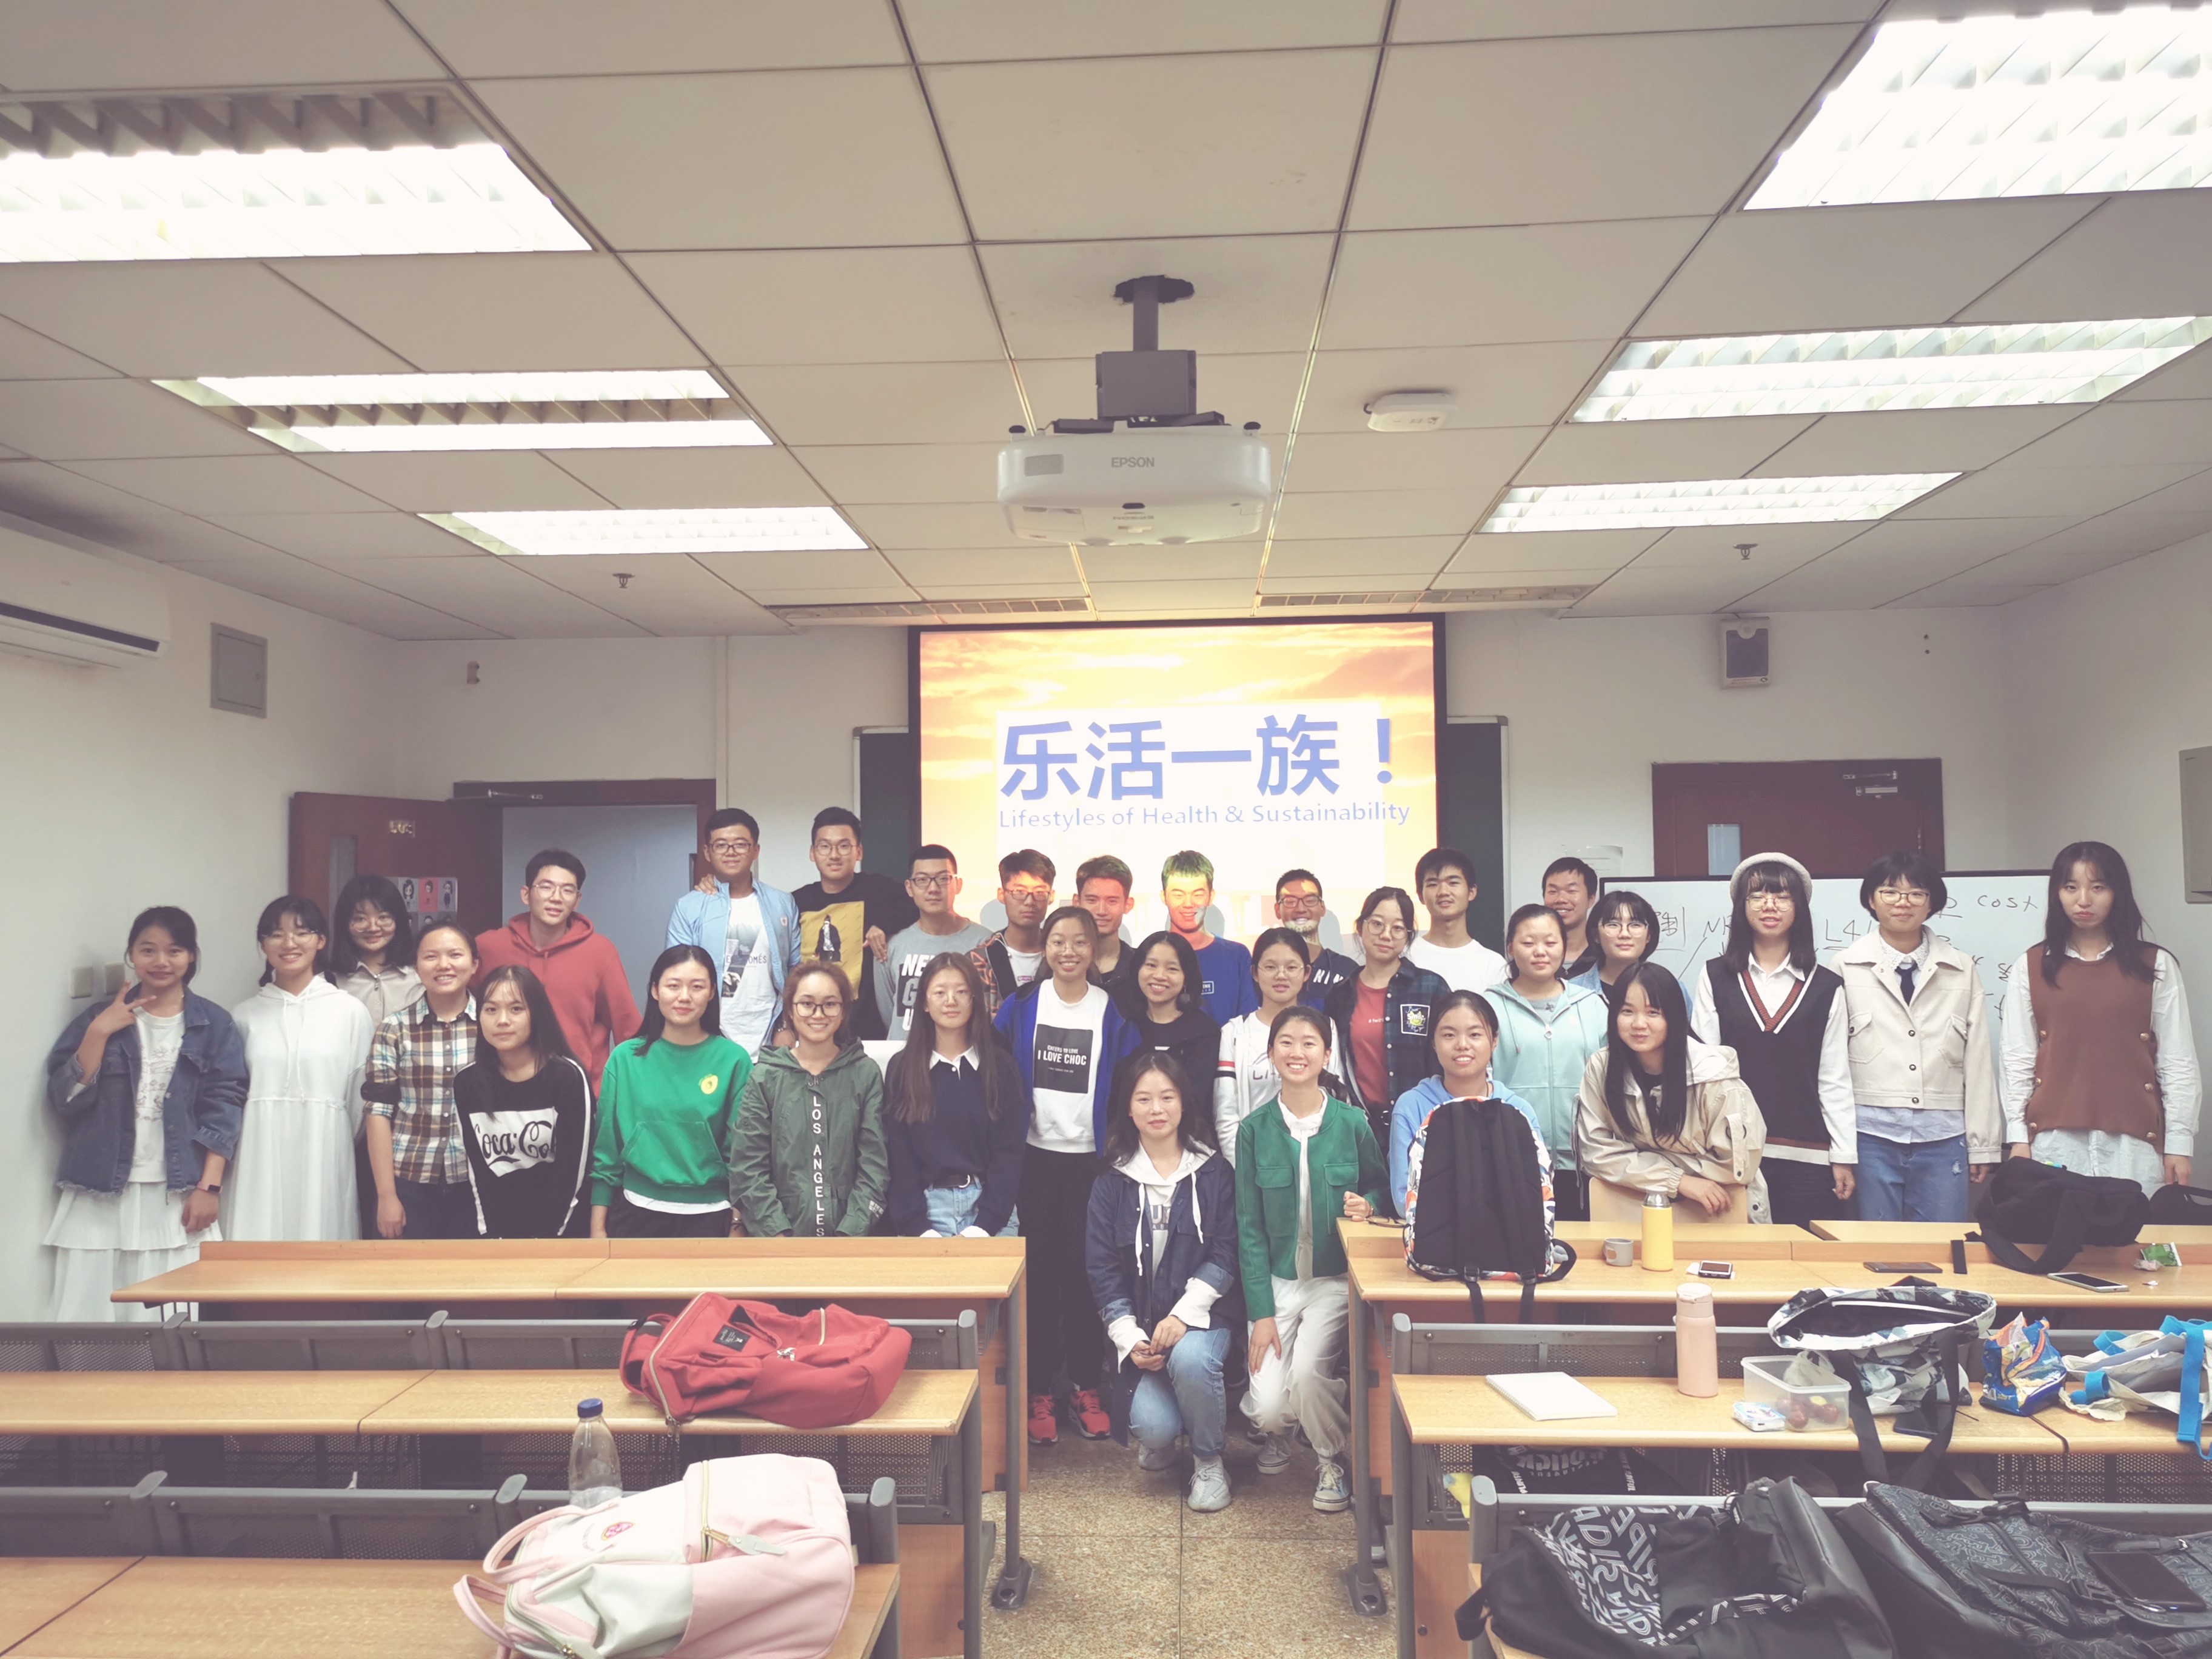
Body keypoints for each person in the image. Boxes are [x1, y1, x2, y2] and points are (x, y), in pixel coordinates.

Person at [43, 907, 244, 1321]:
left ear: (191, 956)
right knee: (88, 1312)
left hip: (177, 1191)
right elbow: (65, 1099)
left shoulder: (215, 1024)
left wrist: (209, 1187)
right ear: (131, 955)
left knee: (171, 1317)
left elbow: (224, 1106)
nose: (161, 961)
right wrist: (100, 1031)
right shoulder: (98, 1018)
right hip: (99, 1185)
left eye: (175, 950)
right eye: (148, 950)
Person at [1235, 1007, 1386, 1515]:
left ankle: (1330, 1458)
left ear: (1326, 1054)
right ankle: (1284, 1431)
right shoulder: (1253, 1129)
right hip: (1277, 1282)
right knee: (1268, 1409)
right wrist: (1260, 1312)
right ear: (1271, 1053)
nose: (1297, 1053)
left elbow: (1380, 1188)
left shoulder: (1352, 1123)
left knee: (1306, 1376)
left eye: (1308, 1044)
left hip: (1332, 1280)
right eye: (1286, 1042)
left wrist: (1369, 1205)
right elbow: (1249, 1228)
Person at [996, 905, 1136, 1445]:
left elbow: (1126, 1082)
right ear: (1045, 947)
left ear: (1094, 948)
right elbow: (998, 1073)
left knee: (1084, 1276)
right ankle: (1038, 1390)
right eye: (1059, 941)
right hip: (1033, 1160)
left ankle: (1084, 1385)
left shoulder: (1111, 1010)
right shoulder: (1021, 1005)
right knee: (1037, 1276)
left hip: (1089, 1164)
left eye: (1080, 941)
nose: (1069, 951)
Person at [1087, 1051, 1241, 1512]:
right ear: (1129, 1108)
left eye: (1167, 1097)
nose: (1157, 1109)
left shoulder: (1213, 1171)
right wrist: (1130, 1338)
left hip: (1205, 1316)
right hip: (1144, 1325)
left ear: (1184, 1102)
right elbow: (1102, 1269)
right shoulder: (1112, 1180)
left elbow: (1226, 1252)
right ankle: (1164, 1436)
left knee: (1191, 1358)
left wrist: (1182, 1316)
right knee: (1153, 1428)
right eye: (1144, 1099)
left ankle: (1209, 1462)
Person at [2001, 840, 2200, 1198]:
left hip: (2135, 1144)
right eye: (2071, 887)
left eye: (2098, 887)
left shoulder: (2156, 965)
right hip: (2053, 1141)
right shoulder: (2030, 966)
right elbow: (2017, 1058)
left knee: (2139, 1232)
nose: (2083, 900)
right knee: (2059, 1229)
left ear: (2117, 892)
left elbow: (2177, 1061)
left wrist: (2179, 1144)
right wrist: (2018, 1138)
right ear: (2057, 894)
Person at [1832, 853, 2001, 1222]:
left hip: (1944, 1138)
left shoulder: (1961, 968)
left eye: (1916, 893)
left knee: (1941, 1246)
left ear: (1931, 902)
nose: (1903, 902)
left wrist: (1983, 1145)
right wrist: (1839, 1148)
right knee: (1875, 1248)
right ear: (1871, 899)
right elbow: (1831, 1065)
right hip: (1868, 1136)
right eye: (1890, 892)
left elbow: (1978, 1059)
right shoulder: (1844, 967)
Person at [1691, 853, 1854, 1226]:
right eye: (1757, 896)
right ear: (1741, 906)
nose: (1769, 905)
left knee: (1809, 1254)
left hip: (1809, 1154)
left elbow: (1834, 1078)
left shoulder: (1827, 986)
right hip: (1732, 1152)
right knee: (1738, 1254)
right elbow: (1705, 1073)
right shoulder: (1715, 976)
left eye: (1782, 896)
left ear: (1799, 908)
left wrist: (1843, 1155)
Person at [225, 896, 372, 1241]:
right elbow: (230, 1096)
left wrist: (329, 1127)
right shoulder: (243, 1016)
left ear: (321, 941)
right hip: (257, 1148)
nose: (289, 943)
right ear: (263, 945)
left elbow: (360, 1098)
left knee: (321, 1240)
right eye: (276, 934)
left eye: (302, 933)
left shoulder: (349, 1011)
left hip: (325, 1147)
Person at [1577, 962, 1765, 1221]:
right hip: (1631, 1211)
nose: (1639, 1024)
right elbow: (1595, 1152)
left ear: (1674, 1017)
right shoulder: (1602, 1067)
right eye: (1627, 1011)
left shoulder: (1715, 1074)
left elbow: (1738, 1165)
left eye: (1653, 1012)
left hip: (1717, 1211)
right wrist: (1677, 1180)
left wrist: (1636, 1165)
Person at [589, 946, 751, 1238]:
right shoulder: (625, 1059)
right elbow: (607, 1152)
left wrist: (737, 1223)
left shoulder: (734, 1060)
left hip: (712, 1214)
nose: (684, 997)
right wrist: (597, 1228)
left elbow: (742, 1155)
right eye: (673, 986)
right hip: (636, 1211)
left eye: (697, 987)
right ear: (655, 990)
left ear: (712, 993)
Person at [729, 962, 888, 1238]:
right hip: (780, 1241)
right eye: (807, 1004)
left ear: (843, 1011)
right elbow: (748, 1169)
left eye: (830, 1004)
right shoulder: (765, 1077)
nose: (818, 1014)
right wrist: (777, 1233)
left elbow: (875, 1166)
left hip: (851, 1243)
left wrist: (850, 1233)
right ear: (790, 1011)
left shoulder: (865, 1073)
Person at [883, 953, 1027, 1238]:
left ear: (974, 1000)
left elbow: (1009, 1152)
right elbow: (898, 1153)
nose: (951, 1001)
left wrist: (985, 1225)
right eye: (940, 992)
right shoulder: (903, 1068)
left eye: (961, 992)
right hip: (925, 1213)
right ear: (924, 1003)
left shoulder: (1001, 1067)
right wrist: (918, 1226)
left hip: (990, 1212)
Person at [475, 848, 640, 1087]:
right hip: (501, 1087)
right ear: (526, 894)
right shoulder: (490, 947)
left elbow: (629, 1030)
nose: (556, 897)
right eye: (546, 887)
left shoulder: (600, 952)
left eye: (567, 890)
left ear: (577, 900)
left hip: (579, 1088)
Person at [1488, 905, 1611, 1222]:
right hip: (1514, 1157)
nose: (1540, 951)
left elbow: (1612, 1078)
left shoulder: (1592, 1005)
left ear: (1564, 947)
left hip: (1586, 1161)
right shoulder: (1488, 1007)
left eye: (1550, 942)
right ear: (1511, 948)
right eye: (1528, 943)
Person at [455, 964, 592, 1239]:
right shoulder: (467, 1083)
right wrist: (492, 1236)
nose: (502, 1020)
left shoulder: (567, 1077)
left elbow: (572, 1173)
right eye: (491, 1009)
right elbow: (479, 1173)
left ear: (536, 1014)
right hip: (500, 1236)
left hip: (561, 1234)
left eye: (516, 1009)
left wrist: (545, 1240)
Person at [1321, 887, 1447, 1186]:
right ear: (1360, 927)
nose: (1386, 935)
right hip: (1362, 1129)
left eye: (1398, 928)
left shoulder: (1430, 987)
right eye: (1377, 924)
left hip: (1424, 1125)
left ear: (1408, 935)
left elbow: (1448, 1060)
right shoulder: (1341, 995)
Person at [363, 922, 480, 1240]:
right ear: (417, 968)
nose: (443, 965)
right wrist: (386, 1195)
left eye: (455, 955)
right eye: (431, 957)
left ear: (474, 964)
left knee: (472, 1269)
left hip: (478, 1178)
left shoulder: (493, 1025)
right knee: (406, 1269)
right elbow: (378, 1113)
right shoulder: (394, 1029)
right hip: (409, 1178)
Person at [1389, 990, 1540, 1215]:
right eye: (1449, 1035)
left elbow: (1538, 1190)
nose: (1462, 1045)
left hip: (1507, 1234)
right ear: (1434, 1043)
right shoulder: (1411, 1107)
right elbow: (1403, 1198)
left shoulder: (1517, 1110)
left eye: (1475, 1035)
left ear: (1494, 1040)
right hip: (1433, 1233)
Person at [666, 808, 799, 1057]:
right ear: (708, 852)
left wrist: (786, 1025)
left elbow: (796, 970)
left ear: (755, 850)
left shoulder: (782, 903)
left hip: (771, 1039)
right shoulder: (689, 907)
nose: (730, 852)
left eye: (740, 844)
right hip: (708, 1040)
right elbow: (677, 976)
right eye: (721, 845)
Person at [792, 808, 918, 1042]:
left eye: (844, 846)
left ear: (859, 852)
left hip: (867, 1033)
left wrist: (883, 925)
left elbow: (917, 903)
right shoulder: (797, 902)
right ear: (812, 853)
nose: (834, 855)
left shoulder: (879, 891)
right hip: (812, 1027)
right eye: (825, 846)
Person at [1215, 927, 1315, 1166]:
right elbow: (1226, 1115)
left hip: (1315, 1162)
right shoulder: (1235, 1033)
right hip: (1256, 1164)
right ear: (1255, 973)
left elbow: (1338, 1100)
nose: (1281, 975)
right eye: (1270, 967)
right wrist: (1244, 1171)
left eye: (1291, 967)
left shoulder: (1324, 1029)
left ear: (1306, 973)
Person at [877, 845, 990, 1041]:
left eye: (943, 879)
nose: (933, 889)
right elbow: (890, 1013)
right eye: (922, 880)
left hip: (962, 1054)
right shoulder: (892, 945)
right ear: (909, 888)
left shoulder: (985, 942)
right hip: (904, 1055)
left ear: (958, 884)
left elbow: (987, 1010)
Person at [1162, 850, 1258, 1025]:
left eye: (1198, 895)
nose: (1189, 904)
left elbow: (1248, 1024)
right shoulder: (1149, 959)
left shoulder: (1237, 956)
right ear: (1164, 897)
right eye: (1178, 895)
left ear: (1210, 897)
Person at [1121, 930, 1224, 1091]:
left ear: (1186, 977)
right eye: (1151, 965)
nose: (1159, 975)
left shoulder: (1205, 1033)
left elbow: (1198, 1098)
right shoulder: (1124, 1027)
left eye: (1172, 969)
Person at [1407, 848, 1508, 993]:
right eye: (1433, 884)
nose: (1443, 892)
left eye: (1453, 883)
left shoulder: (1494, 965)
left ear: (1471, 892)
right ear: (1420, 896)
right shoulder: (1407, 957)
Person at [329, 874, 422, 1024]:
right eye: (360, 919)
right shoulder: (328, 983)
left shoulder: (420, 978)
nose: (373, 928)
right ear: (345, 924)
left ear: (399, 921)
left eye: (383, 917)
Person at [977, 849, 1054, 1011]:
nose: (1029, 901)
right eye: (1019, 892)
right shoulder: (980, 960)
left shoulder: (1062, 955)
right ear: (1002, 895)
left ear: (1051, 896)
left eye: (1040, 892)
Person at [1274, 868, 1361, 1010]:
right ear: (1277, 910)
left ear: (1322, 908)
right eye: (1290, 901)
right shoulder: (1266, 972)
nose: (1301, 909)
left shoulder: (1347, 970)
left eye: (1310, 900)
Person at [1568, 888, 1669, 1008]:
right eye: (1613, 925)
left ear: (1649, 936)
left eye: (1635, 925)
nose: (1624, 934)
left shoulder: (1669, 989)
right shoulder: (1572, 991)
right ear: (1596, 936)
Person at [1074, 854, 1139, 990]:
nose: (1102, 911)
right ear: (1077, 903)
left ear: (1128, 905)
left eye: (1112, 901)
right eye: (1092, 900)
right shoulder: (1060, 966)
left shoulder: (1142, 967)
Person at [1543, 857, 1603, 982]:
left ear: (1591, 899)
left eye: (1571, 891)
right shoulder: (1534, 955)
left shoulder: (1605, 955)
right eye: (1553, 891)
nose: (1561, 899)